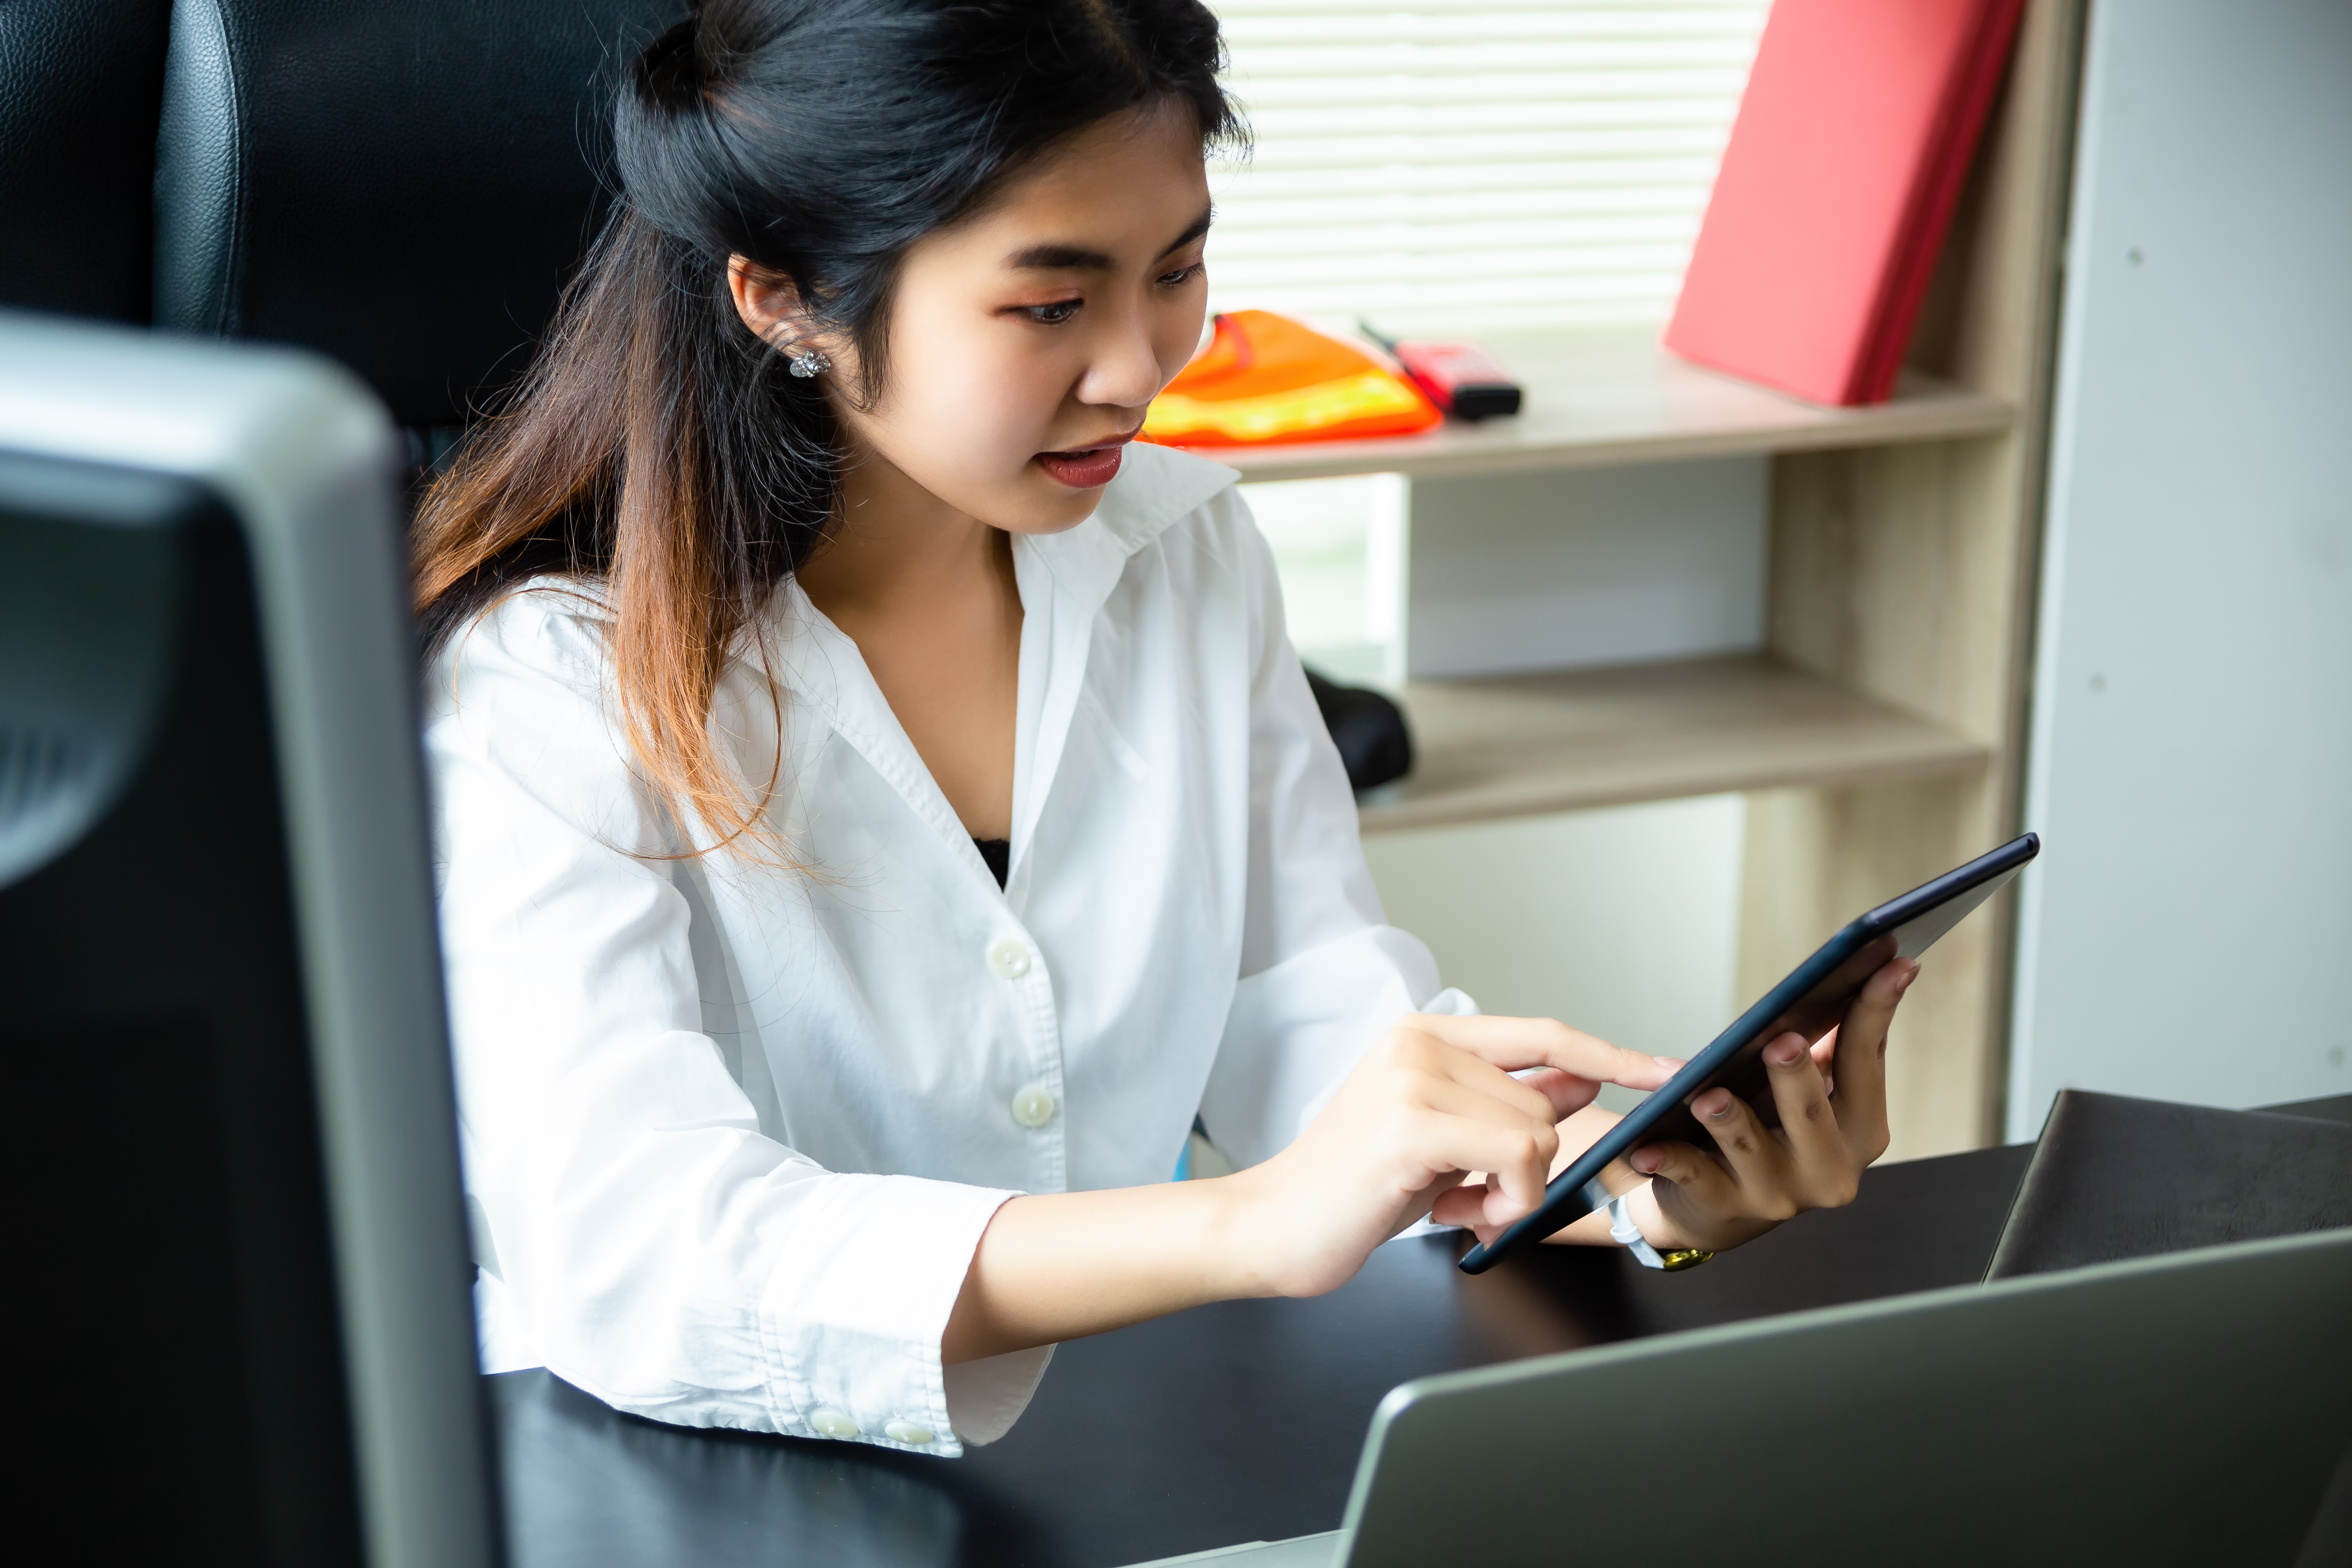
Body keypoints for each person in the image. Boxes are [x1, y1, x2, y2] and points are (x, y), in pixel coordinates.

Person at [413, 0, 1915, 1457]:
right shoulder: (546, 681)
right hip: (651, 1477)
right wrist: (1244, 1226)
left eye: (1176, 271)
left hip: (1110, 1453)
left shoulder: (1182, 547)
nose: (1141, 368)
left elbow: (1315, 1026)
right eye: (1050, 304)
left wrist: (1633, 1196)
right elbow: (636, 1250)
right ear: (786, 296)